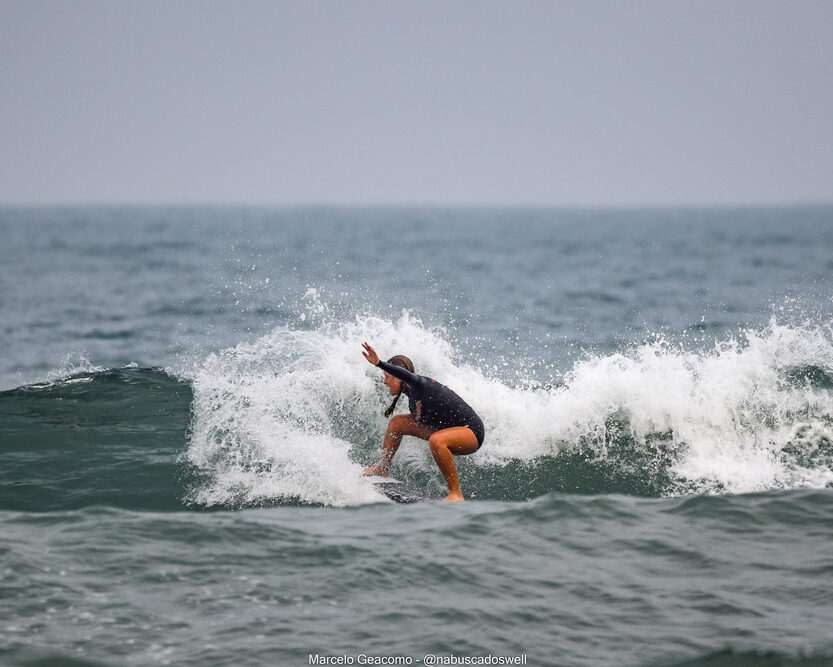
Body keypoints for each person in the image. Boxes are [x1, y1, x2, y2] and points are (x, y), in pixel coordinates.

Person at [361, 342, 485, 502]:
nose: (385, 382)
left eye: (387, 377)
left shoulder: (420, 384)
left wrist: (379, 363)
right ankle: (383, 468)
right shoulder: (411, 394)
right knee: (397, 422)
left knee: (437, 440)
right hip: (448, 429)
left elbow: (405, 375)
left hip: (471, 432)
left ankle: (456, 493)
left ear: (398, 377)